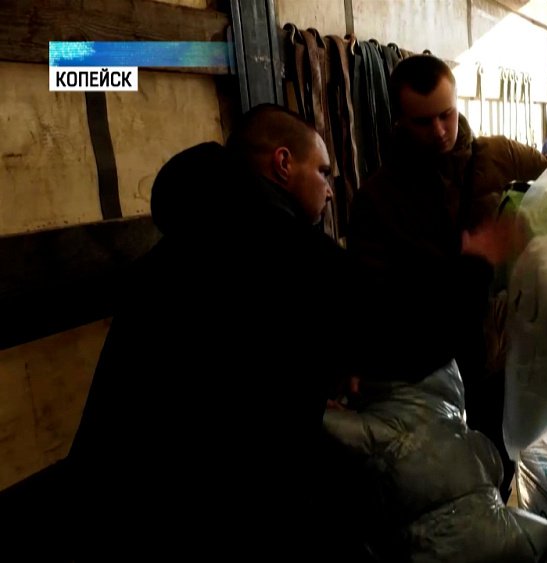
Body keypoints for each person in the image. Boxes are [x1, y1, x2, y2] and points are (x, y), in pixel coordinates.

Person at [65, 104, 364, 556]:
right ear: (283, 164)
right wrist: (479, 259)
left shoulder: (172, 253)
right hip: (217, 515)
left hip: (121, 507)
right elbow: (397, 328)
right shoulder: (284, 249)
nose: (329, 190)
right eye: (323, 171)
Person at [348, 55, 547, 500]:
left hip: (495, 363)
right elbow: (375, 301)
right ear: (399, 121)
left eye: (446, 114)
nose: (439, 131)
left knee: (499, 469)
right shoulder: (377, 200)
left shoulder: (495, 155)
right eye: (422, 122)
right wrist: (472, 261)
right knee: (446, 492)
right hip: (426, 378)